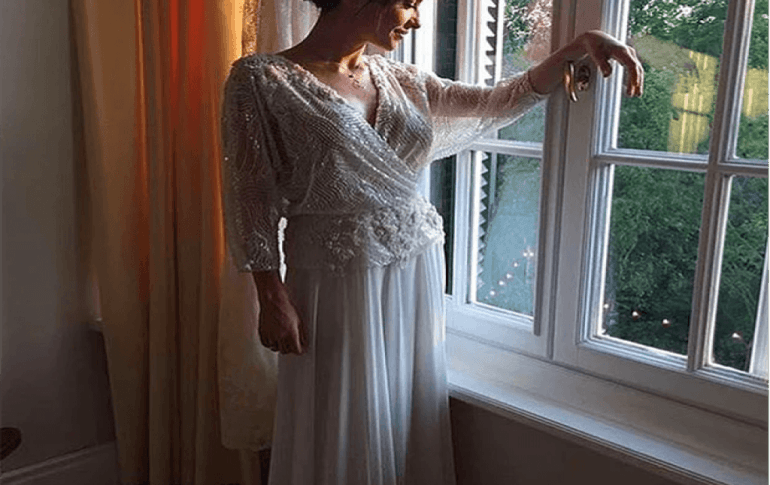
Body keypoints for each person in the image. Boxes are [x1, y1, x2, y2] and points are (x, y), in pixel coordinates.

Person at [220, 0, 643, 483]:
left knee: (401, 410)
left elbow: (496, 101)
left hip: (413, 269)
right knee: (341, 416)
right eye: (410, 4)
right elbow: (249, 195)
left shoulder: (402, 80)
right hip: (334, 277)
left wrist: (575, 49)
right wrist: (271, 296)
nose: (417, 20)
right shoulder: (261, 80)